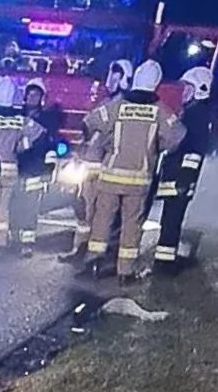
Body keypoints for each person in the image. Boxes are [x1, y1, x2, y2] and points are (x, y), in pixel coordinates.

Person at [84, 60, 187, 283]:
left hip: (110, 176)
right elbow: (176, 137)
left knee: (102, 220)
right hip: (139, 181)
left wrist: (109, 140)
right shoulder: (160, 110)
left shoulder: (118, 105)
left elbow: (91, 121)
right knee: (132, 225)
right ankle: (125, 272)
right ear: (156, 84)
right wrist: (155, 146)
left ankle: (93, 263)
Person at [60, 59, 133, 261]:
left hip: (100, 170)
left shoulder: (118, 105)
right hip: (90, 166)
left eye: (114, 74)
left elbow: (90, 127)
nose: (109, 79)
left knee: (93, 213)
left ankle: (88, 254)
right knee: (84, 210)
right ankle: (81, 250)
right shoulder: (109, 103)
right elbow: (88, 132)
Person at [154, 66, 213, 274]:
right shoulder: (193, 112)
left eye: (188, 88)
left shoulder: (197, 115)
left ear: (200, 89)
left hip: (179, 179)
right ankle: (164, 260)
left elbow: (195, 150)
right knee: (170, 219)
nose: (184, 92)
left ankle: (165, 263)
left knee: (171, 220)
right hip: (177, 179)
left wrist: (185, 179)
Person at [0, 76, 46, 251]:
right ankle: (0, 241)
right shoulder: (20, 119)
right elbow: (40, 134)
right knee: (4, 207)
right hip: (12, 169)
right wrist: (20, 147)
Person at [14, 79, 55, 256]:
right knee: (13, 205)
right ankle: (12, 237)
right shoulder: (15, 115)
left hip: (34, 170)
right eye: (30, 94)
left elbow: (47, 147)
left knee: (30, 207)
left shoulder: (45, 121)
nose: (32, 98)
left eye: (36, 95)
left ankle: (27, 243)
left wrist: (48, 172)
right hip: (17, 168)